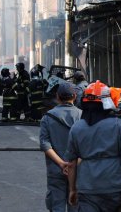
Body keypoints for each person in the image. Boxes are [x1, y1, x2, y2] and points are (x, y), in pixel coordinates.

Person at [65, 80, 121, 212]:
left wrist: (72, 189)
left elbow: (71, 163)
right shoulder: (118, 125)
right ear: (106, 103)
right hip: (117, 188)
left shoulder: (76, 128)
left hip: (88, 189)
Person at [39, 82, 82, 212]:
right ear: (74, 96)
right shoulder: (83, 116)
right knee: (75, 203)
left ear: (57, 97)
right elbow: (86, 146)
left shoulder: (47, 117)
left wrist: (62, 164)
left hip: (55, 169)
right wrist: (72, 165)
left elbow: (45, 144)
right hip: (78, 170)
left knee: (56, 204)